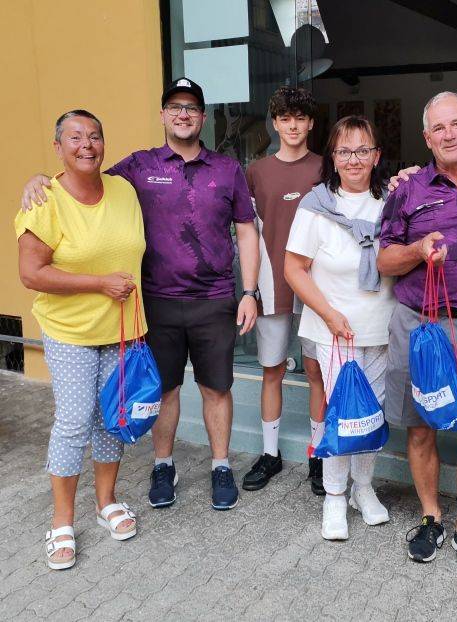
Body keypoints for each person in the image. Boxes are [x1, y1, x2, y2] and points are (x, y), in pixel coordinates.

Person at [20, 78, 260, 511]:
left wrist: (250, 291)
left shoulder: (227, 169)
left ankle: (221, 466)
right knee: (164, 390)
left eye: (191, 107)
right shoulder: (138, 166)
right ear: (163, 115)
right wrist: (41, 180)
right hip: (156, 302)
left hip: (215, 299)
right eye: (175, 106)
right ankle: (163, 465)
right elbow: (84, 177)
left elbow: (246, 229)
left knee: (216, 388)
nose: (183, 114)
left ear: (203, 117)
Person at [377, 92, 457, 577]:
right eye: (438, 128)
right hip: (417, 324)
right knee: (419, 428)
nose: (449, 135)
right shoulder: (406, 189)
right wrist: (416, 249)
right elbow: (384, 260)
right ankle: (431, 517)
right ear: (426, 138)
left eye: (456, 124)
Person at [16, 110, 145, 569]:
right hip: (70, 332)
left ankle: (106, 501)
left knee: (110, 419)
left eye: (94, 136)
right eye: (74, 137)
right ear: (58, 147)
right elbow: (31, 273)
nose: (86, 145)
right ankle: (61, 521)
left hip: (120, 331)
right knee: (73, 421)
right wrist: (99, 284)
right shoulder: (43, 200)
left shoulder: (124, 190)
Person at [284, 115, 396, 540]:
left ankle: (363, 489)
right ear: (332, 157)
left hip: (381, 328)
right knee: (342, 413)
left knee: (371, 413)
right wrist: (329, 314)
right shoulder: (316, 205)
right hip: (334, 330)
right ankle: (334, 496)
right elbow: (294, 269)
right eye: (345, 151)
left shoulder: (391, 201)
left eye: (362, 150)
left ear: (376, 156)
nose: (354, 159)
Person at [242, 87, 326, 495]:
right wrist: (249, 290)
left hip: (316, 287)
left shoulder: (326, 167)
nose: (293, 126)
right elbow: (249, 234)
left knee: (317, 373)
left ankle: (318, 455)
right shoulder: (256, 171)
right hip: (271, 285)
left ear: (311, 123)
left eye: (300, 118)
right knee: (272, 369)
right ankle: (270, 453)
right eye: (285, 118)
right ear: (275, 123)